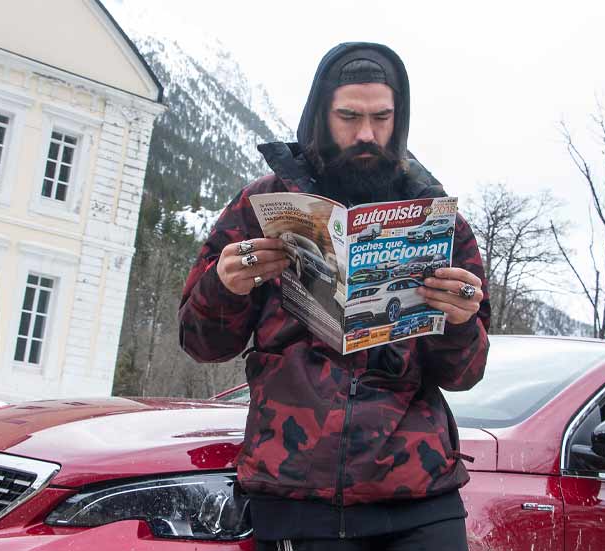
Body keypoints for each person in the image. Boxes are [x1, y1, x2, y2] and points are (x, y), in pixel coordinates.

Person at [179, 42, 489, 551]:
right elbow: (199, 342)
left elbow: (465, 374)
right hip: (298, 496)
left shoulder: (441, 222)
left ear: (399, 119)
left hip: (419, 498)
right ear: (321, 116)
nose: (366, 133)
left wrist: (458, 321)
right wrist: (224, 287)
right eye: (349, 116)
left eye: (381, 118)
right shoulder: (262, 205)